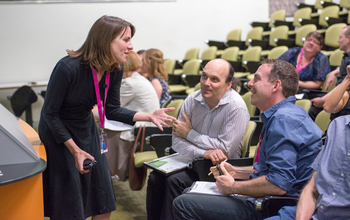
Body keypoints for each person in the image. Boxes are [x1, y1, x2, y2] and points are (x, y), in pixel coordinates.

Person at [38, 15, 175, 220]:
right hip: (60, 135)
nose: (131, 46)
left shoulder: (115, 68)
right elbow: (49, 114)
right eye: (125, 39)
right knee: (69, 204)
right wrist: (75, 150)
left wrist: (148, 115)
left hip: (87, 130)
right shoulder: (68, 68)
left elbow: (112, 110)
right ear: (106, 40)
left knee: (103, 200)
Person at [173, 59, 323, 220]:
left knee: (183, 204)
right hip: (274, 198)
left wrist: (232, 187)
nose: (249, 84)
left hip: (276, 205)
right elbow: (274, 171)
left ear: (275, 85)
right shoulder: (287, 113)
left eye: (257, 79)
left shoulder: (283, 119)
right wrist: (237, 171)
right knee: (188, 192)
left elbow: (278, 184)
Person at [146, 59, 250, 220]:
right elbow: (177, 142)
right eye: (204, 76)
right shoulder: (192, 99)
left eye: (214, 79)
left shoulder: (236, 107)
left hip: (219, 169)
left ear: (228, 85)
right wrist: (205, 152)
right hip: (191, 161)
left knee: (175, 181)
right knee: (155, 178)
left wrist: (189, 134)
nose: (206, 83)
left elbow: (223, 151)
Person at [264, 115, 350, 220]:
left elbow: (279, 182)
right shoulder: (338, 125)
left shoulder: (284, 118)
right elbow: (312, 187)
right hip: (309, 213)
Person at [103, 50, 160, 181]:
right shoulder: (138, 79)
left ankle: (109, 171)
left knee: (100, 127)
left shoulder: (130, 83)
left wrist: (94, 112)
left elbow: (110, 107)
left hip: (141, 128)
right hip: (145, 124)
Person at [309, 26, 350, 120]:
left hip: (341, 98)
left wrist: (323, 100)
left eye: (340, 37)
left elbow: (343, 87)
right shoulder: (346, 56)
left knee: (313, 108)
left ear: (349, 39)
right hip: (339, 94)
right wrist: (335, 71)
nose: (338, 40)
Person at [278, 31, 331, 95]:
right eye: (309, 40)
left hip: (305, 92)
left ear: (320, 47)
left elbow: (317, 84)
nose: (311, 43)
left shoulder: (322, 59)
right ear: (304, 41)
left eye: (315, 42)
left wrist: (296, 82)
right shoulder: (293, 51)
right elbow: (277, 65)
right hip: (284, 87)